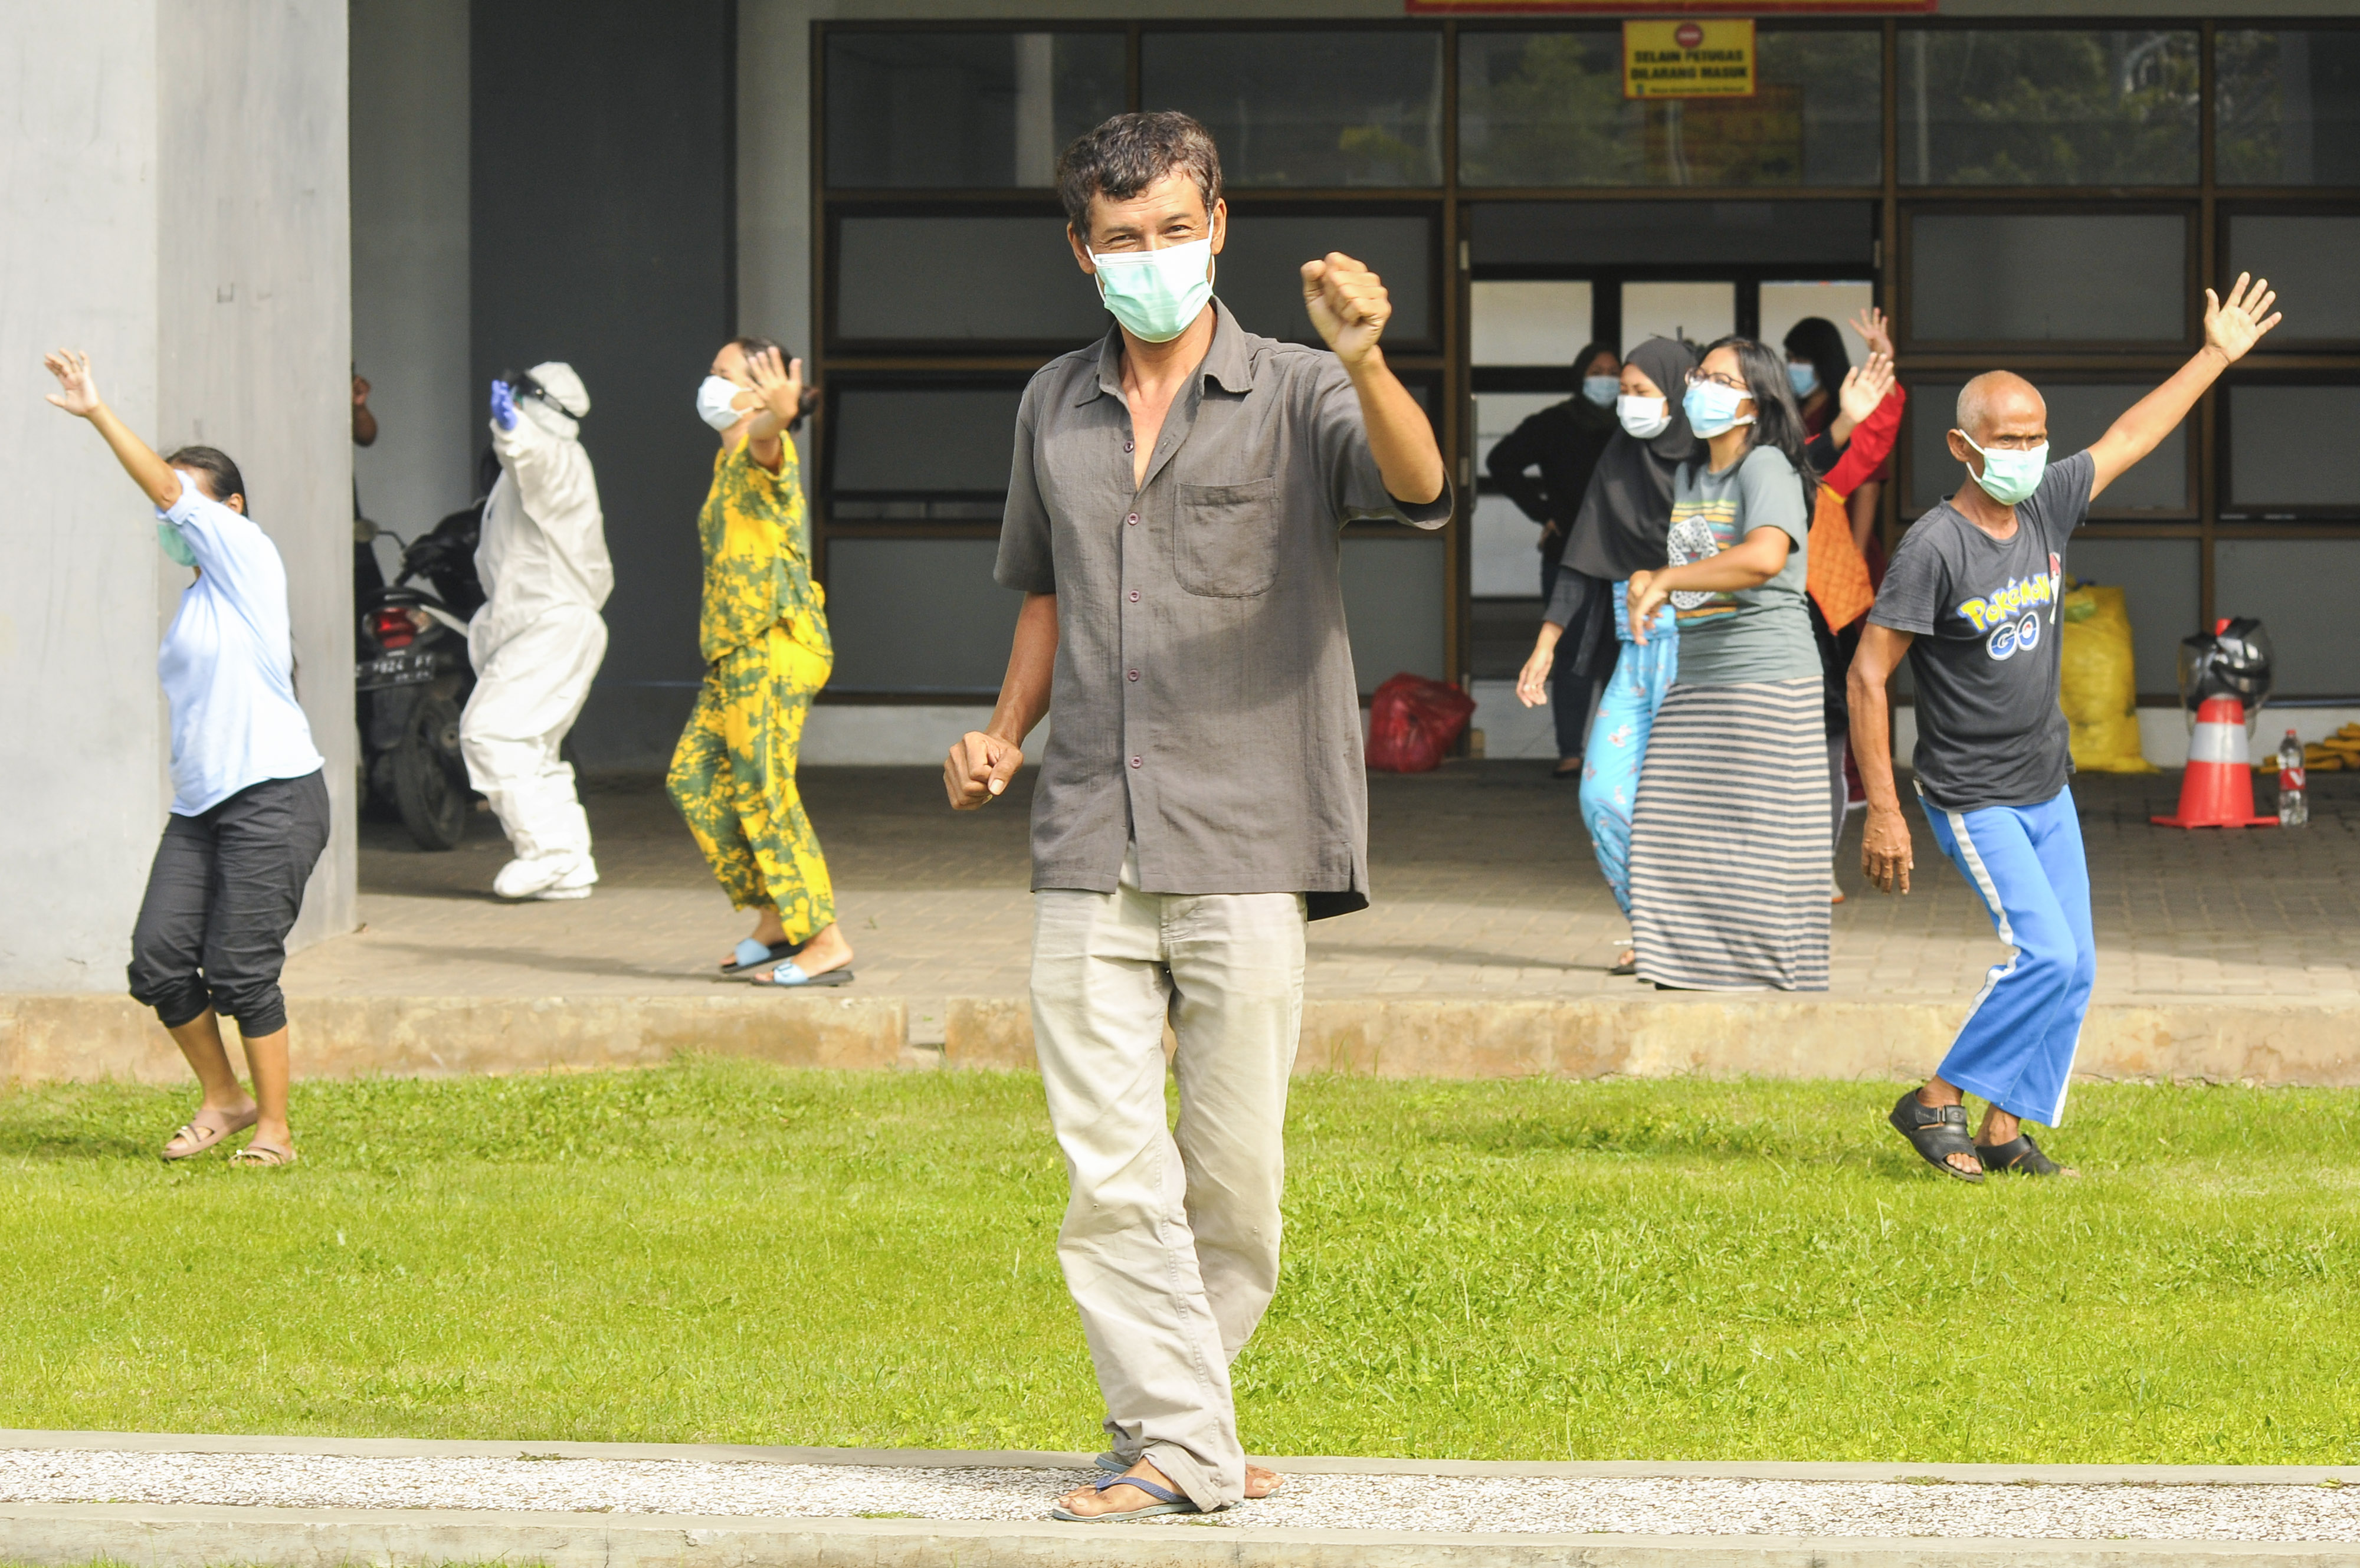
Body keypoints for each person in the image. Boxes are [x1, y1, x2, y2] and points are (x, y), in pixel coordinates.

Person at [942, 111, 1448, 1523]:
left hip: (1249, 832)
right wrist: (1000, 731)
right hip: (1087, 836)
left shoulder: (1297, 389)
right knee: (1111, 1169)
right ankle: (1179, 1446)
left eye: (1174, 229)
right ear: (1079, 251)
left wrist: (1363, 354)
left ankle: (1181, 1423)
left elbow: (1416, 487)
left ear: (1217, 227)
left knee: (1235, 1192)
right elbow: (1046, 592)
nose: (1150, 258)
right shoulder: (1051, 405)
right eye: (1121, 239)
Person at [1853, 273, 2282, 1182]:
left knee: (2076, 965)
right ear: (1963, 447)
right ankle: (1935, 1099)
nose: (2027, 451)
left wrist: (2214, 354)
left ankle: (2005, 1127)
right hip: (1972, 793)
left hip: (2046, 782)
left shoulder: (2046, 500)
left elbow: (2132, 434)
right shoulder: (1935, 545)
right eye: (2008, 440)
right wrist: (1885, 809)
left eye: (2037, 436)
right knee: (2041, 951)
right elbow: (1866, 673)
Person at [42, 350, 330, 1167]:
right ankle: (226, 1099)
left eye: (187, 496)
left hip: (274, 795)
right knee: (161, 959)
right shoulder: (200, 600)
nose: (169, 510)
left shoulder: (249, 552)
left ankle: (275, 1130)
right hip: (202, 807)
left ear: (231, 507)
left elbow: (170, 491)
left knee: (241, 970)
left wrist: (99, 412)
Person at [1623, 337, 1827, 992]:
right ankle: (1689, 973)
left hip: (1766, 679)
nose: (1700, 388)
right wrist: (1649, 584)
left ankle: (1774, 982)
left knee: (1765, 846)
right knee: (1666, 830)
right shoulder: (1691, 475)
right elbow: (1697, 576)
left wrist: (1663, 576)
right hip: (1701, 674)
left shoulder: (1765, 466)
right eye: (1698, 376)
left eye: (1718, 379)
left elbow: (1765, 557)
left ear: (1754, 400)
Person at [667, 337, 853, 986]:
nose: (709, 385)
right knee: (691, 780)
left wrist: (780, 413)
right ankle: (776, 918)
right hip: (731, 652)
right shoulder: (726, 467)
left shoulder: (759, 452)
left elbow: (770, 435)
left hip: (771, 644)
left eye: (720, 374)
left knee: (763, 791)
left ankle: (822, 937)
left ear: (755, 388)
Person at [1513, 337, 1697, 972]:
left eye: (1643, 393)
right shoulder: (1617, 460)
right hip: (1634, 655)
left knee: (1682, 811)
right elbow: (1582, 558)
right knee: (1602, 798)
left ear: (1676, 396)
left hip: (1695, 656)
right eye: (1623, 392)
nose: (1629, 405)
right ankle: (1653, 929)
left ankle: (1689, 940)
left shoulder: (1708, 467)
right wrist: (1545, 644)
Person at [461, 362, 611, 900]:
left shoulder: (557, 458)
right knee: (535, 748)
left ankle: (545, 850)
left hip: (552, 622)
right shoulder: (550, 462)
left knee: (491, 732)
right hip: (548, 623)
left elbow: (533, 457)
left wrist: (511, 428)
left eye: (523, 396)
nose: (515, 403)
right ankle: (570, 863)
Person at [1486, 342, 1621, 774]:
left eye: (1613, 372)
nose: (1606, 379)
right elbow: (1501, 461)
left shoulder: (1634, 426)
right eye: (1597, 370)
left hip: (1628, 556)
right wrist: (1545, 513)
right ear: (1581, 376)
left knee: (1624, 656)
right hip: (1571, 553)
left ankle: (1619, 754)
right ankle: (1570, 753)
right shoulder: (1556, 424)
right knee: (1572, 653)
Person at [1788, 309, 1898, 579]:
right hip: (1790, 550)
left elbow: (1867, 478)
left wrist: (1855, 556)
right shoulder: (1787, 412)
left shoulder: (1849, 411)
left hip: (1838, 550)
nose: (1792, 366)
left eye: (1801, 359)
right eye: (1789, 359)